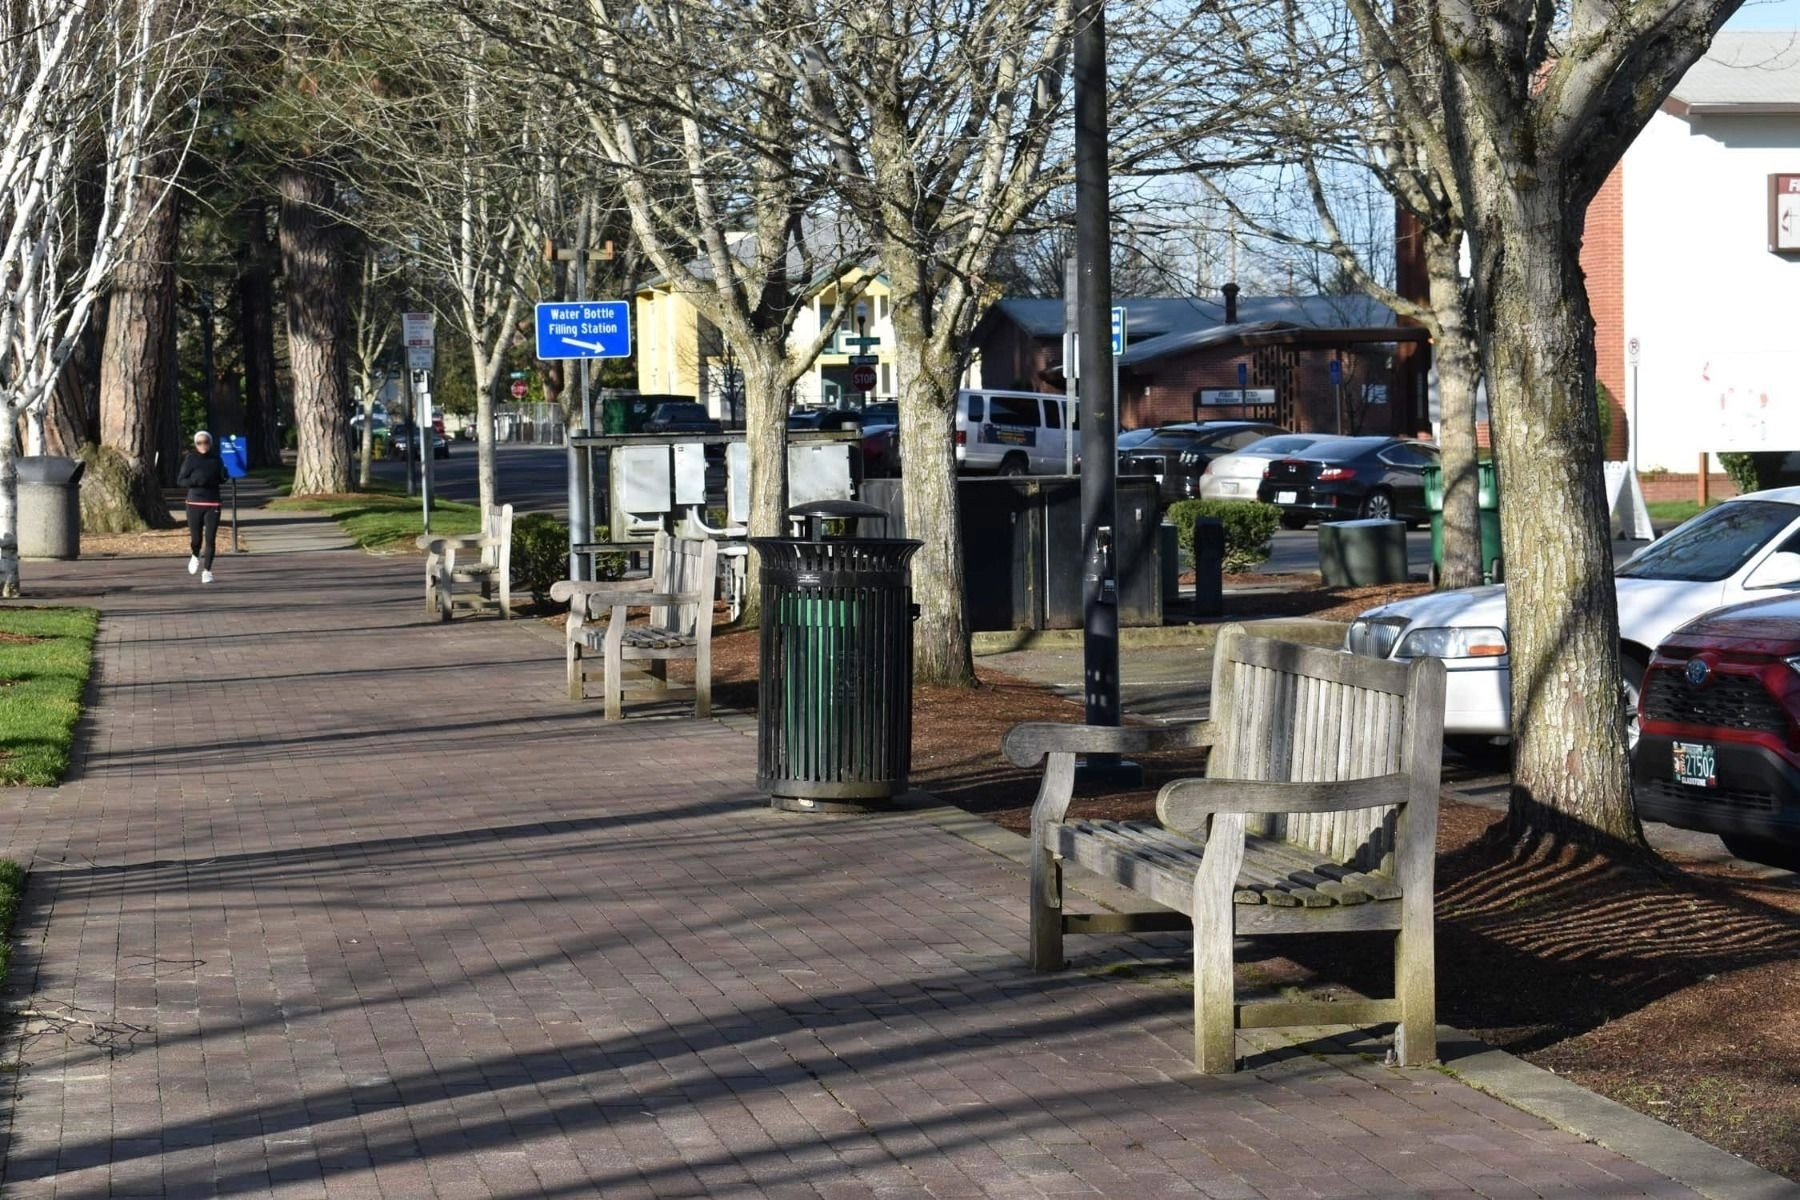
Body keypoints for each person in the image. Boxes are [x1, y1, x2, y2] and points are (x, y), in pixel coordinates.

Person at [177, 430, 227, 583]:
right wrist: (195, 481)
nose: (203, 445)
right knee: (196, 538)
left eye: (206, 442)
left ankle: (207, 571)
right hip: (194, 503)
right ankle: (195, 554)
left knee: (210, 539)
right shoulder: (191, 459)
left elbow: (221, 478)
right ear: (195, 445)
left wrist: (225, 474)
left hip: (212, 503)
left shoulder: (216, 459)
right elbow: (180, 480)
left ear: (210, 444)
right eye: (199, 443)